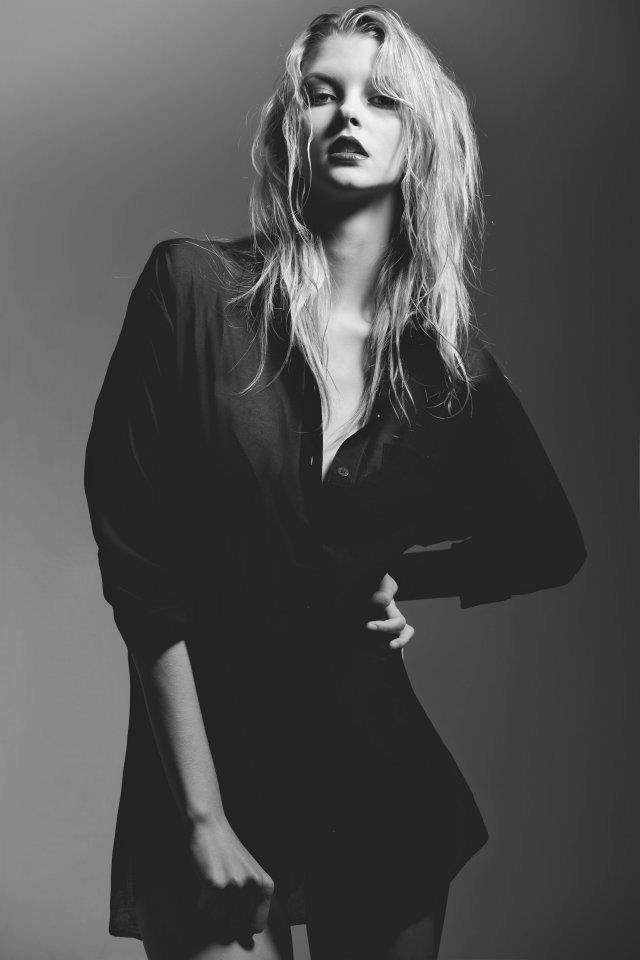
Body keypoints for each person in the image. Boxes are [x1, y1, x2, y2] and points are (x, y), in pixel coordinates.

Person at [83, 6, 587, 959]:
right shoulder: (192, 292)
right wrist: (200, 818)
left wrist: (403, 574)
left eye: (381, 98)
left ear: (421, 139)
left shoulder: (444, 368)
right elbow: (140, 571)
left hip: (377, 785)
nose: (349, 113)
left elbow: (549, 542)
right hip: (209, 773)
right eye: (323, 93)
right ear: (292, 126)